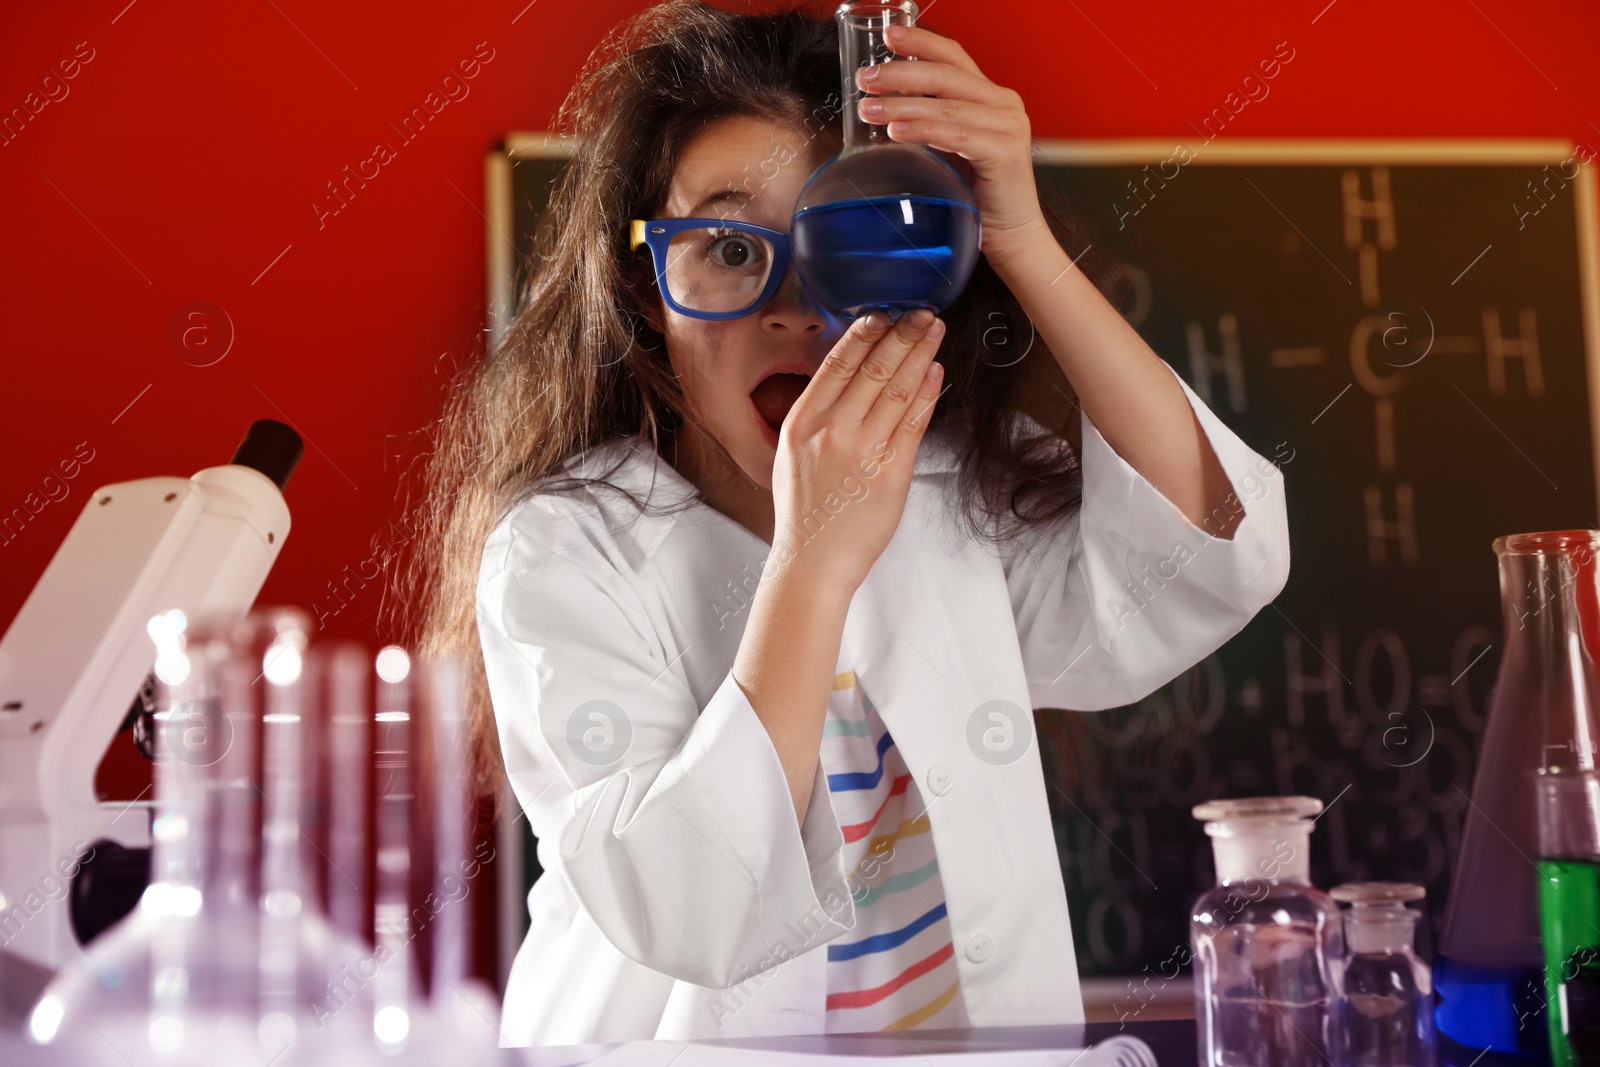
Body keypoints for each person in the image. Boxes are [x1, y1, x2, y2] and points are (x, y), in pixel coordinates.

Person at [392, 0, 1290, 1047]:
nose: (795, 306)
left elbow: (1208, 551)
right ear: (645, 289)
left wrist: (1019, 236)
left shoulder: (951, 490)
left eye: (841, 240)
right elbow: (692, 906)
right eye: (728, 247)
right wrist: (813, 561)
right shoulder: (568, 545)